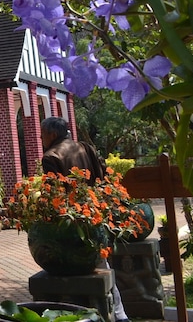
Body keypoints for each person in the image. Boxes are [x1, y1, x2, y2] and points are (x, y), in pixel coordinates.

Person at [39, 116, 129, 322]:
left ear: (52, 134)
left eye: (43, 135)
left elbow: (55, 194)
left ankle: (96, 316)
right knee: (102, 266)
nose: (41, 139)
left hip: (72, 223)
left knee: (76, 274)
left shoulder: (51, 157)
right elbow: (103, 177)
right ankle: (120, 315)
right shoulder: (85, 148)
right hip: (95, 214)